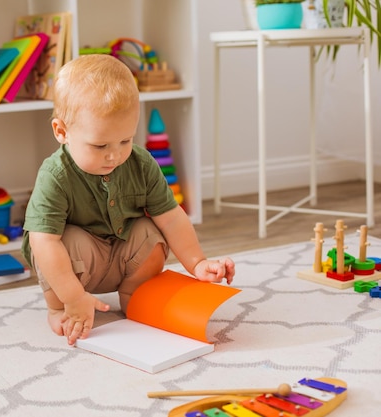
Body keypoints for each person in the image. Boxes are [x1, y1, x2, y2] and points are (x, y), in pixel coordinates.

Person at [21, 54, 235, 346]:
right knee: (60, 241)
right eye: (100, 145)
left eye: (125, 140)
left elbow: (171, 217)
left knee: (150, 232)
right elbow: (43, 241)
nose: (115, 154)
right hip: (78, 266)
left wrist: (197, 262)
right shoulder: (55, 175)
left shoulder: (141, 163)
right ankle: (59, 307)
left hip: (122, 255)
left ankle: (133, 295)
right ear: (62, 132)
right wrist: (72, 297)